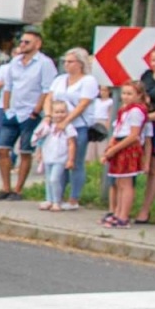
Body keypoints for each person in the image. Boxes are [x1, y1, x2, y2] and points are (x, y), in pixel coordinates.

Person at [0, 29, 57, 201]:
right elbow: (8, 86)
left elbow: (47, 89)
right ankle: (5, 187)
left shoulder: (45, 63)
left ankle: (18, 189)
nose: (22, 44)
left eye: (27, 42)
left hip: (30, 112)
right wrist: (6, 107)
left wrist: (37, 110)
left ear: (37, 44)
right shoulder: (15, 61)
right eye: (21, 41)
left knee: (25, 151)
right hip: (13, 111)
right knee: (2, 149)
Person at [43, 47, 100, 210]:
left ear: (80, 64)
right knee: (57, 160)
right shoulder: (60, 79)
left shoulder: (88, 81)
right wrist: (48, 116)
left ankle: (74, 197)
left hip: (78, 126)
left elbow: (83, 104)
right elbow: (50, 98)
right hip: (57, 126)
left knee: (75, 161)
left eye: (70, 61)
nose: (66, 64)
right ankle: (55, 197)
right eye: (65, 61)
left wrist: (66, 121)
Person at [101, 80, 151, 229]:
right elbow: (118, 130)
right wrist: (111, 145)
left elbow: (133, 135)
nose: (125, 96)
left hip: (128, 146)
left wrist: (114, 149)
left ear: (139, 95)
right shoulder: (125, 109)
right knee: (119, 182)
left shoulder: (136, 110)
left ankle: (124, 216)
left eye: (130, 94)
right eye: (124, 93)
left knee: (126, 183)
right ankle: (118, 212)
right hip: (119, 144)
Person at [133, 46, 155, 223]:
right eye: (154, 60)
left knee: (154, 168)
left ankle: (145, 210)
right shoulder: (146, 76)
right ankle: (122, 206)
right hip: (140, 124)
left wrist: (143, 118)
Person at [32, 99, 78, 212]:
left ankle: (57, 201)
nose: (60, 115)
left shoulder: (68, 127)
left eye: (62, 112)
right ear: (51, 113)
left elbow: (72, 144)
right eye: (57, 112)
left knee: (54, 179)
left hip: (60, 158)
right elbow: (41, 141)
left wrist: (71, 159)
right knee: (48, 179)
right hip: (48, 157)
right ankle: (49, 199)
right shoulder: (48, 126)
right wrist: (39, 154)